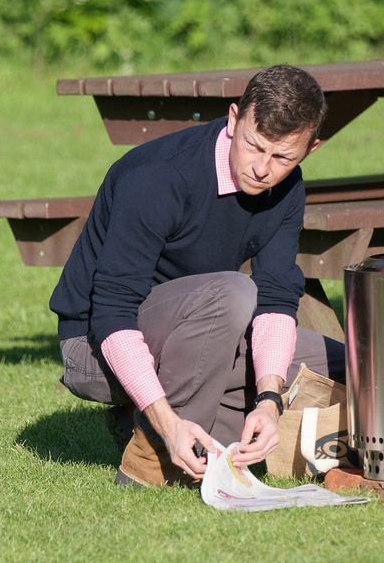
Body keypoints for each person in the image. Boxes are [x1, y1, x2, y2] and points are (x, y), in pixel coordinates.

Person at [51, 63, 345, 487]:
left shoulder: (288, 187)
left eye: (282, 157)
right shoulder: (157, 177)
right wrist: (167, 422)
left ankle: (210, 446)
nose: (263, 168)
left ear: (310, 150)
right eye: (253, 145)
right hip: (96, 348)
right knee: (232, 293)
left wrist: (269, 399)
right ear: (233, 118)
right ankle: (157, 453)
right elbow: (112, 312)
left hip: (205, 338)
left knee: (350, 362)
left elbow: (278, 297)